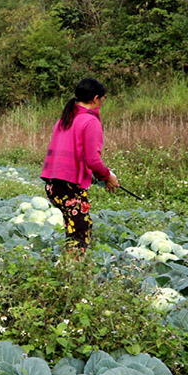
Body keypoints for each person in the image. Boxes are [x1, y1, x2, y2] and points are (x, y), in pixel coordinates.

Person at [40, 77, 120, 249]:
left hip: (53, 185)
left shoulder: (65, 118)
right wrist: (107, 176)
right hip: (69, 186)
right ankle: (74, 271)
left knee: (73, 227)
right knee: (81, 231)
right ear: (96, 99)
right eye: (103, 99)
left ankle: (69, 267)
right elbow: (93, 159)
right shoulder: (90, 121)